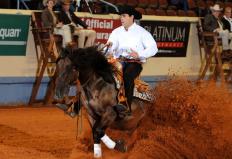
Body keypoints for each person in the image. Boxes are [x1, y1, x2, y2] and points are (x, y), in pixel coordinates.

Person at [106, 5, 158, 113]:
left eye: (124, 16)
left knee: (128, 75)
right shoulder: (116, 32)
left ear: (132, 17)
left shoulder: (142, 32)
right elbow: (111, 47)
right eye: (121, 16)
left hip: (134, 63)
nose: (121, 18)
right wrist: (109, 48)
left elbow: (154, 48)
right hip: (118, 61)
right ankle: (77, 102)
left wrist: (139, 54)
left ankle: (126, 105)